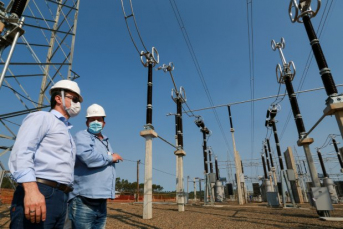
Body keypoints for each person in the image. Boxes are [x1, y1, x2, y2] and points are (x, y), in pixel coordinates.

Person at [8, 79, 83, 229]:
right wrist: (31, 190)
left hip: (60, 197)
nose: (77, 104)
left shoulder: (65, 130)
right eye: (74, 99)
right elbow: (22, 151)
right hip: (41, 190)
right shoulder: (43, 118)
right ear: (58, 98)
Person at [68, 104, 123, 229]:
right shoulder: (82, 136)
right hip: (84, 200)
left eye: (99, 119)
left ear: (104, 123)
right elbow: (88, 158)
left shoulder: (105, 141)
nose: (96, 122)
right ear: (87, 122)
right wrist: (111, 158)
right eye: (92, 119)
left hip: (100, 201)